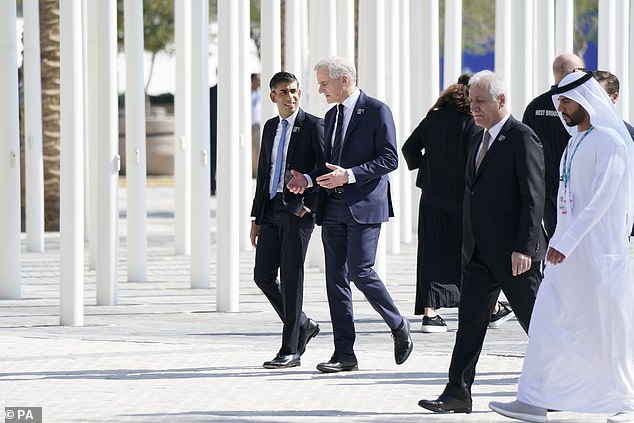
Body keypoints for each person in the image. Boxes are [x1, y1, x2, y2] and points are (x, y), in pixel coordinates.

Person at [489, 71, 634, 423]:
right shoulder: (575, 141)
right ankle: (534, 399)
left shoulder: (611, 142)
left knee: (609, 329)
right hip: (565, 256)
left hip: (598, 257)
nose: (561, 108)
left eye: (567, 102)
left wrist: (565, 241)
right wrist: (557, 240)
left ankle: (626, 401)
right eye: (558, 102)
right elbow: (566, 199)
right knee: (546, 324)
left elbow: (601, 200)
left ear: (586, 100)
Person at [418, 70, 546, 414]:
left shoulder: (522, 137)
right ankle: (457, 393)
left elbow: (533, 197)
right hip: (477, 254)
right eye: (471, 100)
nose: (473, 107)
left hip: (513, 255)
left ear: (501, 101)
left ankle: (560, 388)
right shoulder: (477, 137)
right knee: (470, 325)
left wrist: (525, 247)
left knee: (539, 324)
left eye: (480, 101)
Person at [287, 56, 413, 373]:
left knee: (360, 271)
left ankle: (398, 324)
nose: (320, 89)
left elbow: (389, 158)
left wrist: (351, 175)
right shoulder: (330, 116)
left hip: (365, 204)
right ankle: (345, 354)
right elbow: (327, 164)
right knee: (335, 280)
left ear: (344, 80)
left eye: (324, 83)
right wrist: (307, 179)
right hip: (332, 207)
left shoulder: (376, 111)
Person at [402, 74, 515, 333]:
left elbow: (409, 149)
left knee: (431, 253)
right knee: (471, 253)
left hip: (431, 197)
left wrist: (428, 168)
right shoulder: (472, 124)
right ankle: (492, 309)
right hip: (463, 198)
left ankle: (430, 315)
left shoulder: (434, 118)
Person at [250, 72, 324, 369]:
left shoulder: (314, 126)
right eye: (283, 92)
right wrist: (256, 216)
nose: (290, 96)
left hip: (297, 213)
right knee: (263, 275)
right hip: (270, 210)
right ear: (273, 97)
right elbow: (263, 174)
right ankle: (303, 324)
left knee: (292, 279)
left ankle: (290, 348)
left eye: (294, 91)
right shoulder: (269, 128)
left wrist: (309, 206)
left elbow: (324, 168)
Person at [522, 53, 584, 239]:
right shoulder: (580, 107)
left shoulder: (535, 106)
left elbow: (526, 150)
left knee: (554, 239)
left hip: (545, 189)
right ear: (575, 72)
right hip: (576, 191)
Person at [593, 70, 634, 140]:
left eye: (599, 96)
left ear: (614, 97)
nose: (592, 101)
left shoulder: (628, 135)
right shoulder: (574, 130)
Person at [251, 73, 262, 177]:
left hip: (256, 124)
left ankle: (256, 172)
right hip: (247, 124)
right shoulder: (247, 93)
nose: (258, 82)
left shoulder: (261, 94)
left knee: (257, 148)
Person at [209, 84, 218, 195]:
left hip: (212, 132)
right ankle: (212, 185)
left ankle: (212, 186)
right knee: (212, 162)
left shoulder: (210, 91)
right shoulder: (210, 92)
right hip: (213, 133)